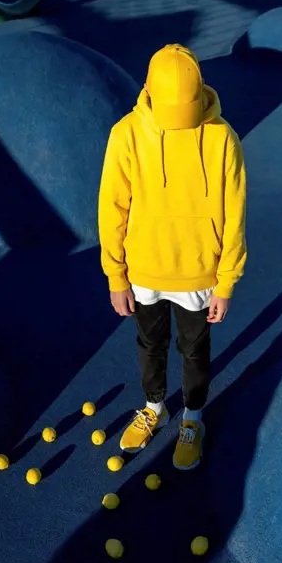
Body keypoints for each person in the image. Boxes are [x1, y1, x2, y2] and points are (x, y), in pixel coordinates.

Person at [98, 44, 246, 470]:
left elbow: (235, 213)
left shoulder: (221, 138)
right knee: (150, 344)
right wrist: (116, 276)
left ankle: (193, 417)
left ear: (201, 93)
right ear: (147, 91)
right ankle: (154, 406)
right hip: (144, 272)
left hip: (199, 274)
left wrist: (226, 281)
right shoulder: (125, 134)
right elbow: (112, 210)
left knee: (194, 350)